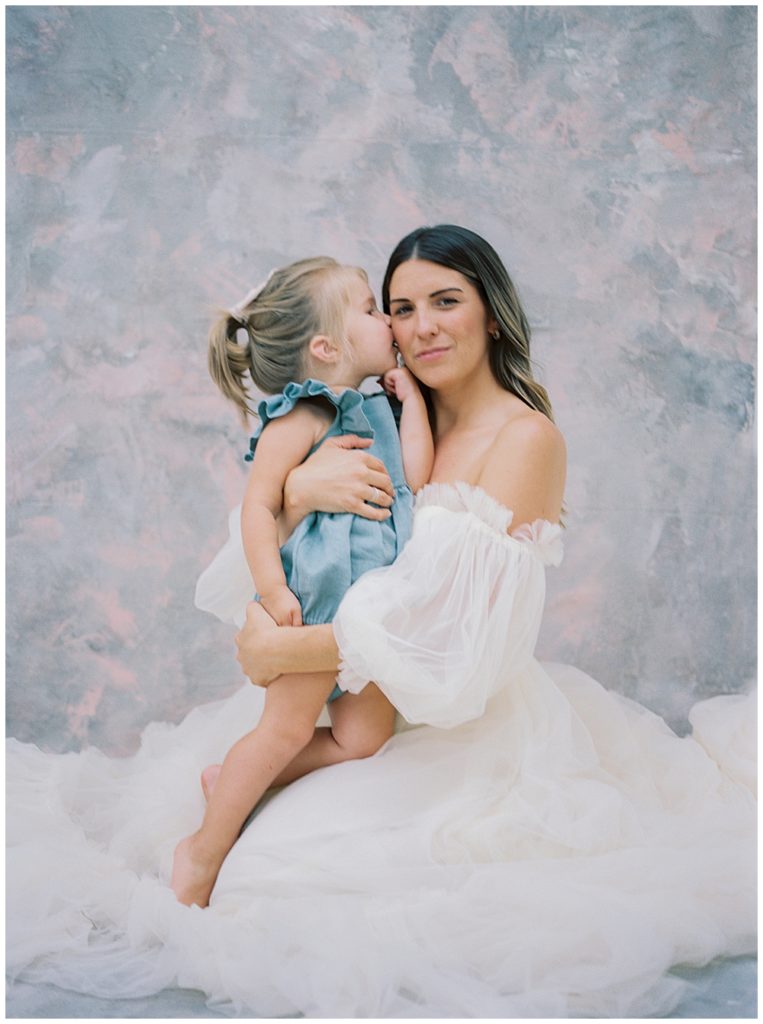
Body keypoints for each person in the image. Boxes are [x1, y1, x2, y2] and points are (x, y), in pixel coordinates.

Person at [5, 227, 754, 1019]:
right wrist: (299, 493)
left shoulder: (524, 438)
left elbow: (450, 635)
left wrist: (283, 645)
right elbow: (269, 538)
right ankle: (223, 820)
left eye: (445, 302)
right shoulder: (378, 413)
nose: (421, 324)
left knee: (288, 883)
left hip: (450, 716)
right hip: (355, 687)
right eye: (399, 307)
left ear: (491, 315)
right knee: (244, 834)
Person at [172, 256, 433, 907]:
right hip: (315, 600)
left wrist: (416, 404)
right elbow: (260, 505)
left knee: (362, 739)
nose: (387, 322)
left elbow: (419, 478)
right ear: (326, 346)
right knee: (284, 728)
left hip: (370, 606)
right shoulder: (303, 415)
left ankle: (233, 778)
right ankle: (202, 850)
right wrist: (273, 590)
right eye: (371, 311)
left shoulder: (380, 408)